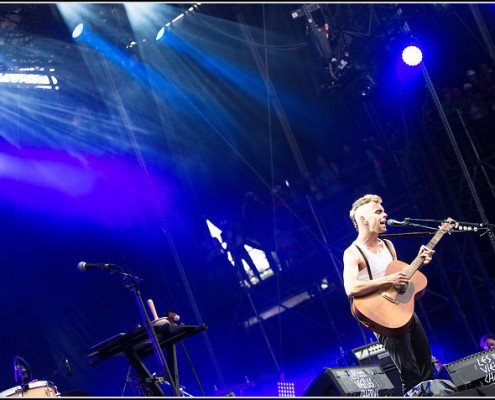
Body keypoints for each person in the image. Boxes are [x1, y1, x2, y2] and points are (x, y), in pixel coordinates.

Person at [342, 194, 436, 395]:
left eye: (383, 211)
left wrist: (418, 262)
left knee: (427, 364)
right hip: (381, 316)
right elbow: (351, 288)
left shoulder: (388, 245)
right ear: (363, 219)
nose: (385, 215)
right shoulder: (353, 252)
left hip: (402, 309)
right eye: (378, 212)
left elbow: (399, 281)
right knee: (410, 372)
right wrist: (389, 280)